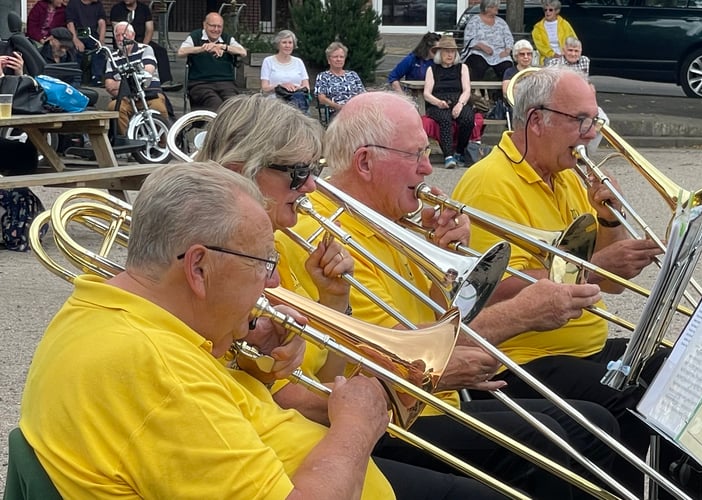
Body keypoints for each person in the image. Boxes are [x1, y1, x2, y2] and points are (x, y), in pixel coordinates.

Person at [272, 90, 623, 499]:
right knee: (554, 439)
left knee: (590, 426)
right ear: (365, 161)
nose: (427, 168)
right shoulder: (323, 236)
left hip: (435, 401)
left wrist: (448, 262)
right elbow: (402, 353)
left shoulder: (393, 221)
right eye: (416, 155)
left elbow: (437, 324)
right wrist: (519, 315)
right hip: (388, 414)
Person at [17, 161, 405, 498]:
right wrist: (356, 427)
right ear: (199, 267)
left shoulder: (104, 307)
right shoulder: (156, 370)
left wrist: (247, 361)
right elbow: (174, 395)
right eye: (263, 262)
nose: (271, 283)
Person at [195, 94, 504, 499]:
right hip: (302, 456)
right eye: (298, 172)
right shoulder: (236, 257)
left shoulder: (272, 246)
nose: (311, 185)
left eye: (313, 170)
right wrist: (368, 410)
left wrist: (333, 302)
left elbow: (321, 379)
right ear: (241, 172)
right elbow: (293, 398)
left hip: (324, 441)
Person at [450, 66, 702, 498]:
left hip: (583, 343)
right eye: (580, 120)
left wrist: (608, 218)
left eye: (594, 120)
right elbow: (490, 284)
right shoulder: (488, 183)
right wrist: (595, 266)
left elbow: (614, 286)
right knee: (638, 404)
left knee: (682, 373)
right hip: (525, 355)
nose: (591, 133)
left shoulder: (567, 173)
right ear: (537, 121)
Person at [104, 22, 168, 135]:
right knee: (114, 106)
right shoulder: (112, 57)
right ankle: (129, 142)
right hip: (127, 98)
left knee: (159, 108)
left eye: (124, 35)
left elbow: (146, 75)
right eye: (117, 35)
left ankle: (163, 145)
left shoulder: (145, 49)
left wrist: (121, 83)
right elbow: (109, 85)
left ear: (133, 35)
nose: (121, 38)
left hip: (150, 95)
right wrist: (131, 83)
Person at [177, 12, 246, 111]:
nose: (216, 30)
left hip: (226, 83)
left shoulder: (227, 38)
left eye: (219, 27)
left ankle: (229, 126)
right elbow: (181, 52)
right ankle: (217, 126)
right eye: (213, 26)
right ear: (204, 25)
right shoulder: (195, 36)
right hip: (200, 83)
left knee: (234, 104)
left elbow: (243, 52)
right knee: (215, 104)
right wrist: (202, 48)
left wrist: (223, 47)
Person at [423, 34, 474, 169]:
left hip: (458, 100)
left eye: (452, 51)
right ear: (440, 53)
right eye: (446, 51)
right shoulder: (432, 69)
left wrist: (460, 104)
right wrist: (438, 102)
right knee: (445, 119)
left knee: (468, 118)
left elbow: (467, 90)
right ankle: (448, 156)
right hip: (437, 102)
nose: (450, 54)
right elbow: (427, 94)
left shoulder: (462, 68)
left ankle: (460, 152)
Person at [109, 0, 177, 88]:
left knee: (161, 51)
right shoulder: (116, 9)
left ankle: (165, 81)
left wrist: (143, 46)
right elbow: (118, 30)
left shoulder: (144, 9)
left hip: (142, 41)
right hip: (124, 42)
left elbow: (149, 29)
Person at [462, 0, 514, 81]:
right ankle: (477, 90)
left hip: (499, 54)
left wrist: (507, 51)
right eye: (495, 7)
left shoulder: (501, 22)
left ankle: (502, 91)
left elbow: (509, 38)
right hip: (479, 52)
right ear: (487, 8)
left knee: (507, 65)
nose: (498, 8)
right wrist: (482, 46)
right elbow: (468, 40)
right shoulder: (474, 21)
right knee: (478, 64)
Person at [260, 29, 310, 113]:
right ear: (278, 45)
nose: (287, 46)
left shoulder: (299, 62)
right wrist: (281, 86)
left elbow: (307, 87)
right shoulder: (268, 61)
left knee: (298, 100)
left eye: (290, 43)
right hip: (275, 101)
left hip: (297, 99)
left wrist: (298, 88)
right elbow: (264, 88)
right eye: (284, 42)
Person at [313, 41, 365, 116]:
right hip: (337, 113)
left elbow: (363, 94)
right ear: (328, 60)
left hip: (357, 111)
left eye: (341, 57)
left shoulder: (353, 74)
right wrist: (339, 107)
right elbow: (322, 99)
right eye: (335, 57)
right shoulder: (323, 76)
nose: (339, 59)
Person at [65, 0, 106, 86]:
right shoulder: (73, 3)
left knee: (100, 50)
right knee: (74, 51)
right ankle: (75, 79)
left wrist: (101, 40)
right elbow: (70, 23)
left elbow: (102, 22)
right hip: (78, 34)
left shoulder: (98, 5)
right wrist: (75, 40)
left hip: (92, 35)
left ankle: (97, 78)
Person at [532, 0, 577, 65]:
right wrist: (553, 55)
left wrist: (567, 53)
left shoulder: (564, 24)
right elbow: (540, 47)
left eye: (550, 10)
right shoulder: (537, 28)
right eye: (545, 10)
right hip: (547, 57)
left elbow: (574, 40)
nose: (547, 12)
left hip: (565, 55)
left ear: (557, 11)